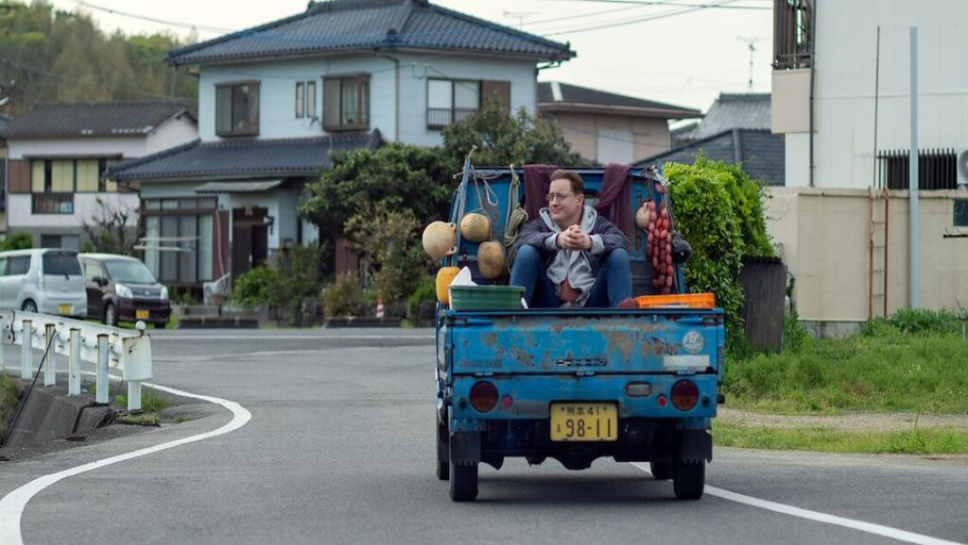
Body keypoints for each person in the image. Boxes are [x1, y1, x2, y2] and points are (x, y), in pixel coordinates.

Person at [510, 169, 632, 308]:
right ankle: (515, 313)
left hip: (592, 302)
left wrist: (590, 242)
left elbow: (622, 242)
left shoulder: (598, 224)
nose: (553, 203)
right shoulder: (541, 224)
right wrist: (557, 240)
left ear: (579, 200)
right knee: (526, 252)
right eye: (551, 197)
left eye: (560, 197)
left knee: (619, 255)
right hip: (548, 301)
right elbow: (521, 240)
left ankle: (623, 316)